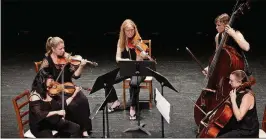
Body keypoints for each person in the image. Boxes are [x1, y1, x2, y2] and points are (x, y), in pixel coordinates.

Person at [39, 36, 92, 137]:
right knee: (72, 105)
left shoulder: (67, 58)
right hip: (55, 89)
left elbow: (75, 76)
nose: (63, 51)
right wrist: (50, 83)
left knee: (83, 100)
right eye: (60, 49)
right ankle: (71, 128)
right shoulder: (47, 60)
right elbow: (42, 78)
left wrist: (81, 66)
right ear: (53, 49)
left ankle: (84, 128)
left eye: (64, 48)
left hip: (68, 86)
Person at [105, 19, 150, 120]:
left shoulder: (138, 40)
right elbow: (117, 58)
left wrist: (142, 56)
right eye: (128, 30)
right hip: (126, 68)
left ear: (135, 29)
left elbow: (139, 61)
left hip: (139, 69)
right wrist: (124, 60)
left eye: (132, 30)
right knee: (107, 80)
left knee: (134, 83)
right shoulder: (121, 41)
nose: (130, 33)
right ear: (123, 31)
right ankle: (115, 101)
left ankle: (133, 106)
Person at [29, 70, 81, 138]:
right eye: (50, 80)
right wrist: (57, 112)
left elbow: (63, 104)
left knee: (76, 128)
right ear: (43, 81)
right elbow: (39, 114)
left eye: (53, 79)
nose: (53, 82)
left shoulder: (50, 91)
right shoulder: (35, 96)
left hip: (52, 121)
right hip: (40, 126)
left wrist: (74, 94)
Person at [217, 70, 259, 138]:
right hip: (236, 126)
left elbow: (239, 117)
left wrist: (233, 100)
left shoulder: (247, 96)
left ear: (240, 82)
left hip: (246, 131)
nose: (229, 82)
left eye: (231, 81)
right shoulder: (236, 91)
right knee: (216, 133)